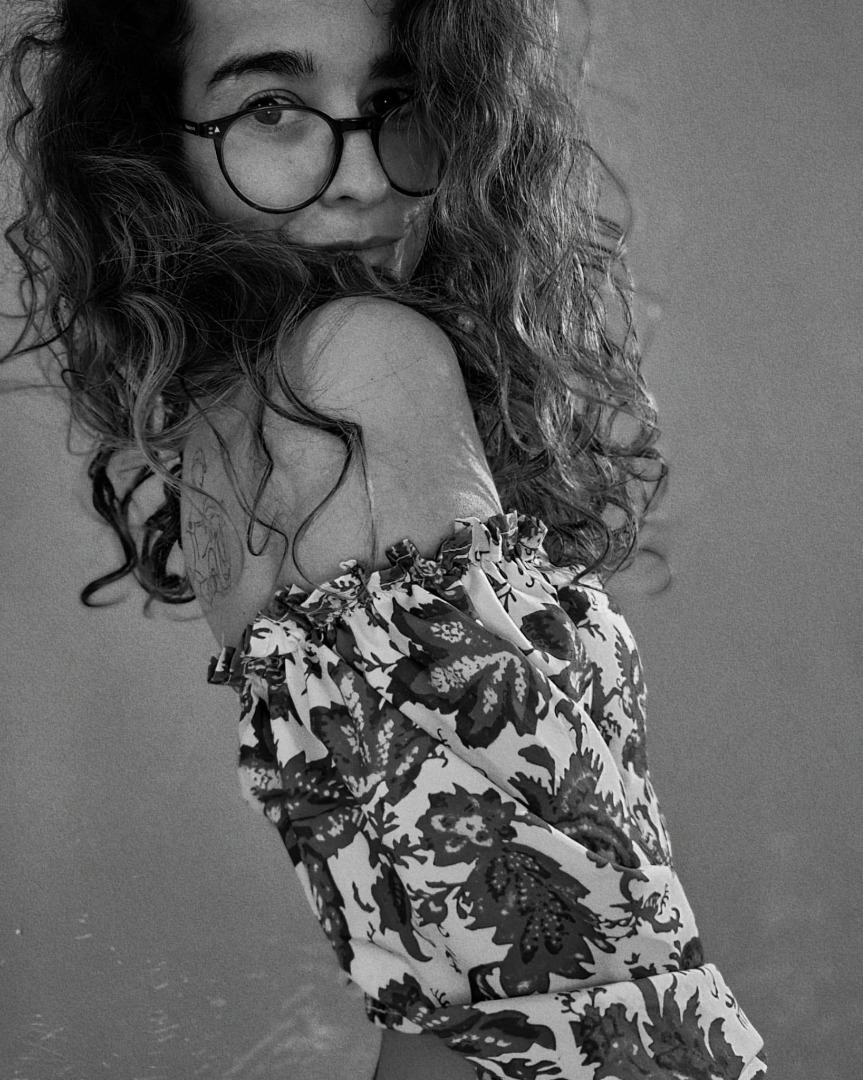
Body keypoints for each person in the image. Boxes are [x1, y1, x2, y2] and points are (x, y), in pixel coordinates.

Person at [2, 0, 767, 1077]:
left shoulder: (222, 432)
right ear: (156, 140)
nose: (362, 175)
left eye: (396, 100)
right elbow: (565, 921)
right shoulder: (363, 360)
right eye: (272, 107)